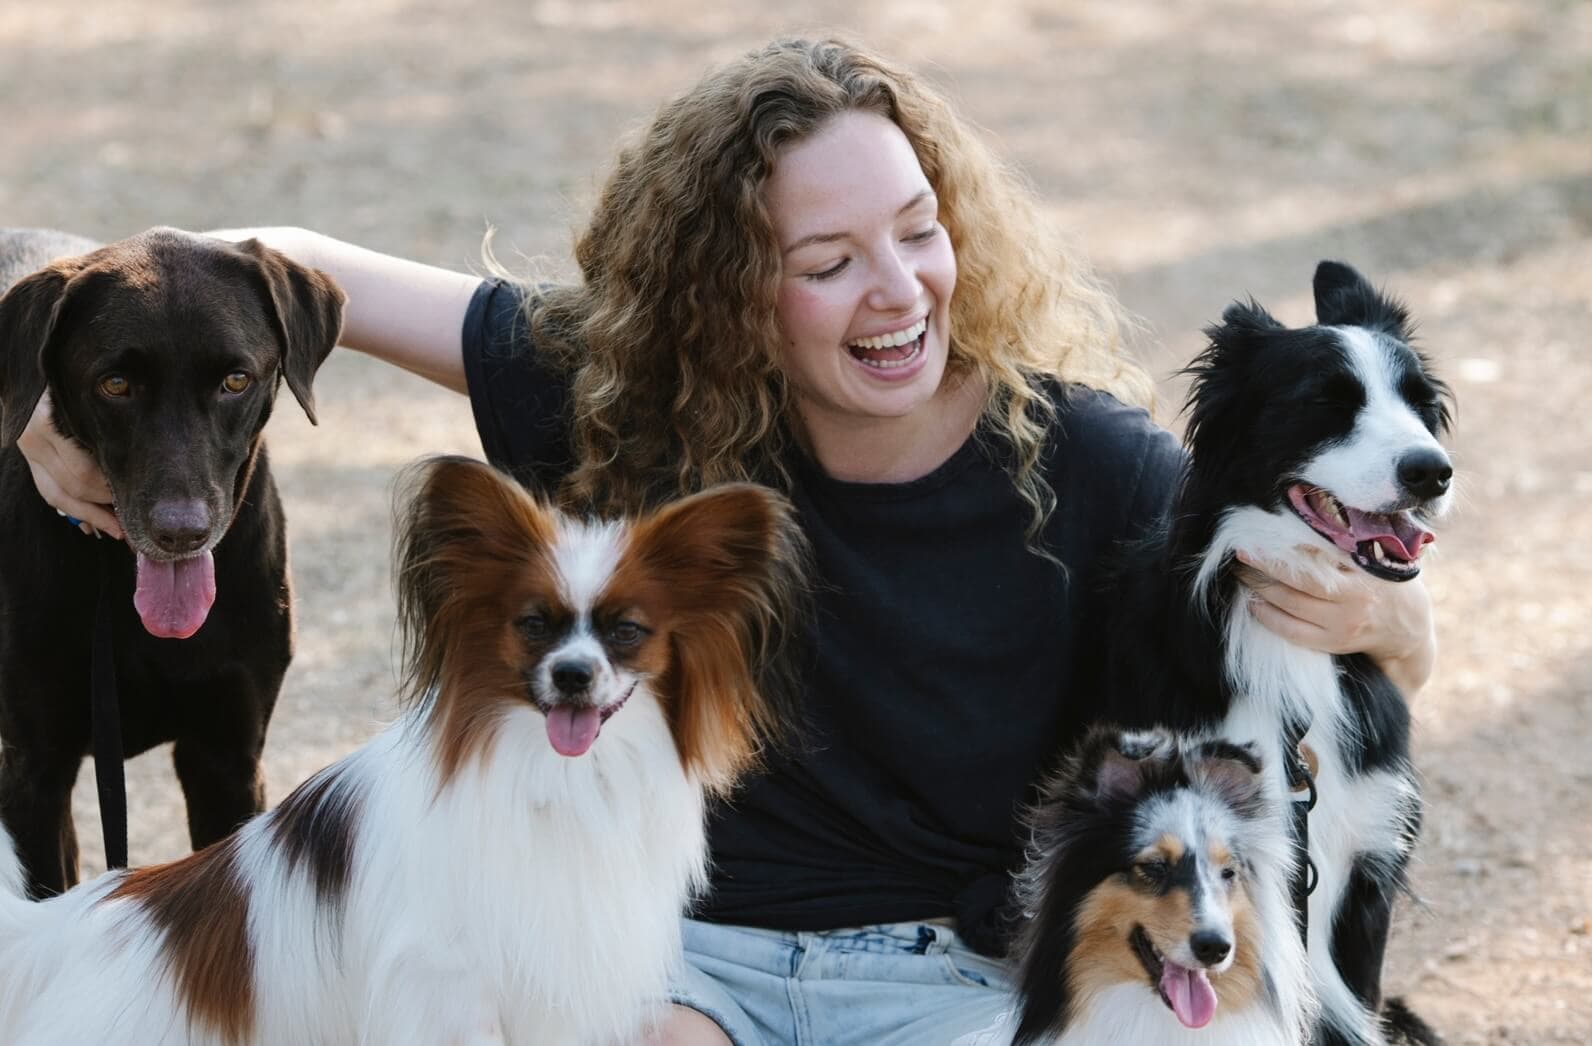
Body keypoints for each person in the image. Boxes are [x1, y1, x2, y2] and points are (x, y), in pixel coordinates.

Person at [14, 37, 1436, 1046]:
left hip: (946, 982)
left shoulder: (1093, 466)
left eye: (919, 232)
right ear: (730, 295)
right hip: (680, 972)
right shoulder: (625, 410)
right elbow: (270, 255)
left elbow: (1302, 595)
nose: (898, 292)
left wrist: (1396, 626)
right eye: (827, 263)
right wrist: (45, 414)